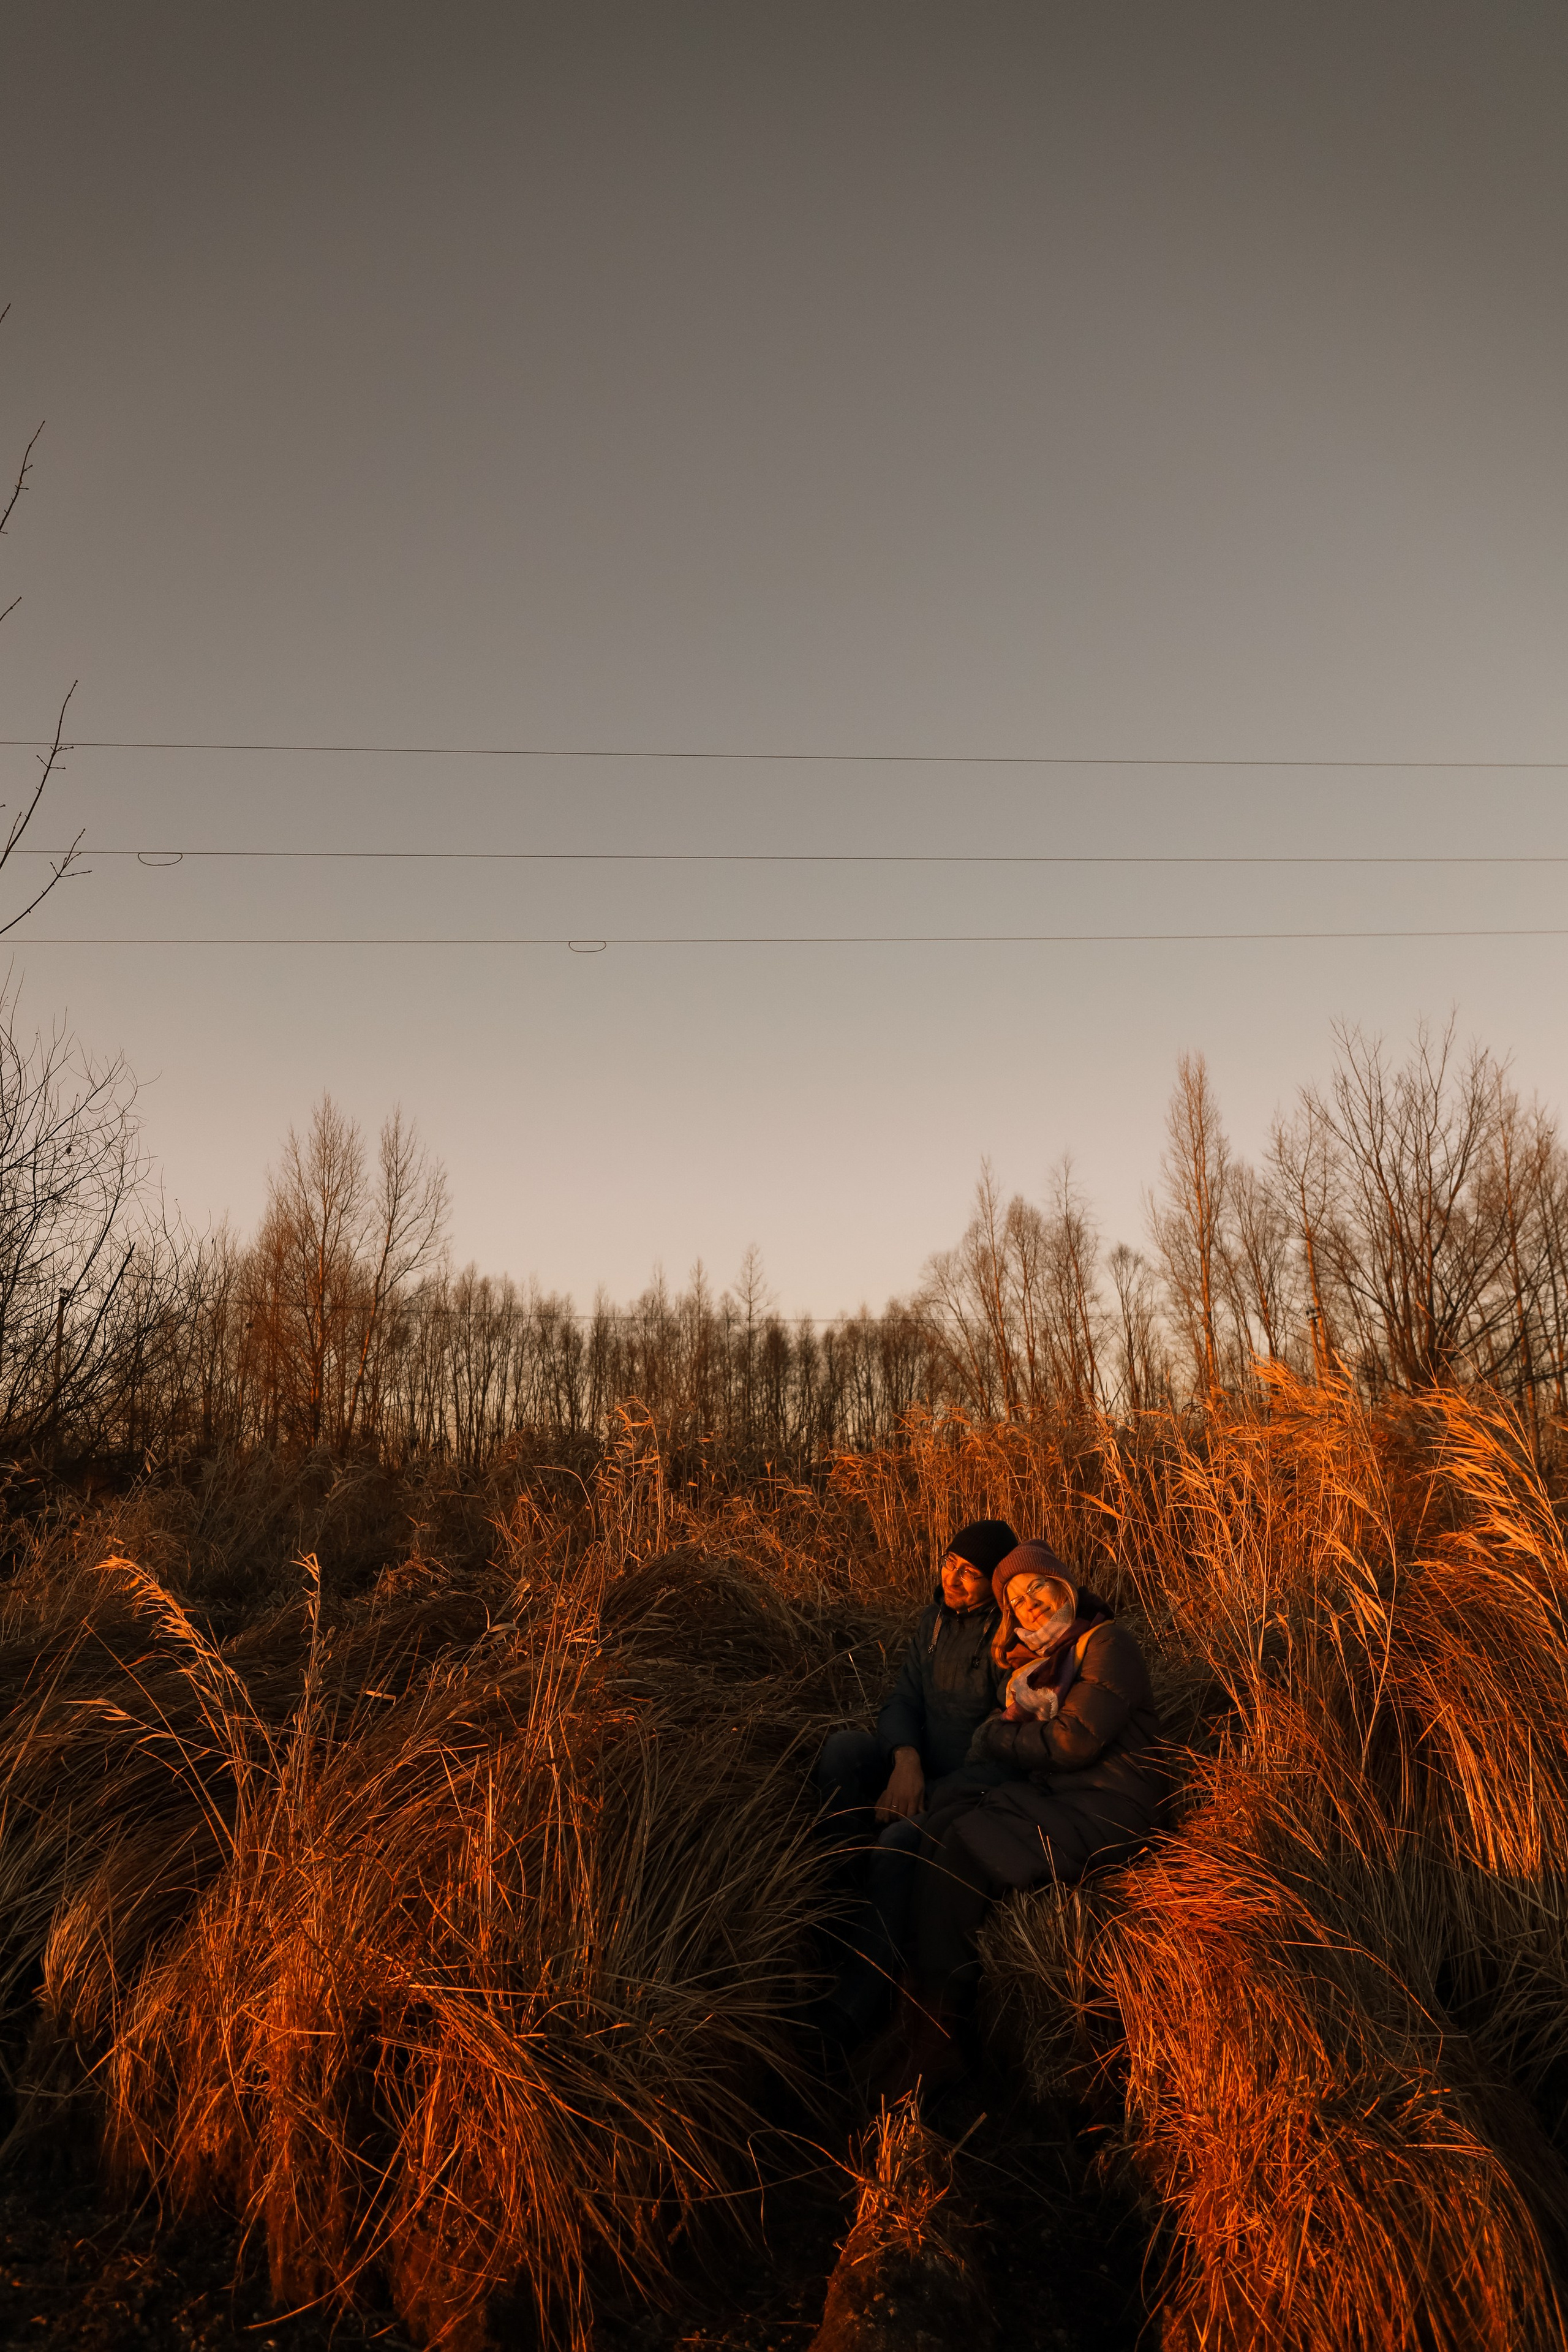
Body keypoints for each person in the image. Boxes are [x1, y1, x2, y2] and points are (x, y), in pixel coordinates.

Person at [872, 1537, 1167, 2103]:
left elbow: (1074, 1741)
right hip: (1061, 1795)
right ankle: (912, 2011)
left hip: (1112, 1804)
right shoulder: (1042, 1661)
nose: (1031, 1606)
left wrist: (999, 1737)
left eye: (1040, 1590)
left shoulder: (1107, 1642)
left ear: (1065, 1585)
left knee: (963, 1846)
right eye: (1018, 1601)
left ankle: (942, 2035)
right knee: (935, 1831)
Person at [809, 1518, 1019, 2045]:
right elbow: (902, 1701)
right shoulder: (932, 1624)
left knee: (898, 1843)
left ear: (995, 1582)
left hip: (971, 1787)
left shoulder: (1008, 1640)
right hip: (922, 1765)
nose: (953, 1579)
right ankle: (837, 1911)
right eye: (950, 1563)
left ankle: (855, 2005)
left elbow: (1005, 1743)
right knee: (843, 1752)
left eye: (971, 1573)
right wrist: (906, 1761)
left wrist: (931, 1792)